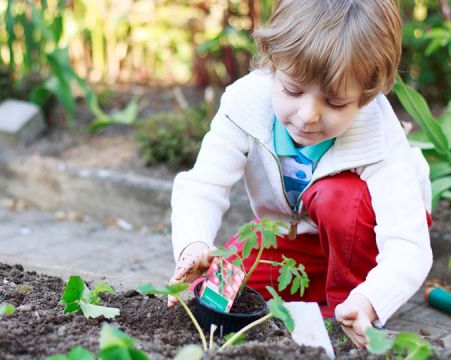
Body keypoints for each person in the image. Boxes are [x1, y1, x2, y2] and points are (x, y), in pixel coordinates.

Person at [167, 0, 433, 348]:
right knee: (215, 292)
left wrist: (371, 298)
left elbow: (407, 244)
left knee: (339, 196)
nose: (308, 115)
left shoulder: (378, 134)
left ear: (366, 96)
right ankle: (315, 291)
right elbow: (203, 185)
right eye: (293, 90)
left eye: (335, 103)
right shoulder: (246, 104)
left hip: (365, 245)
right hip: (296, 241)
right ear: (273, 65)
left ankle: (345, 311)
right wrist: (194, 243)